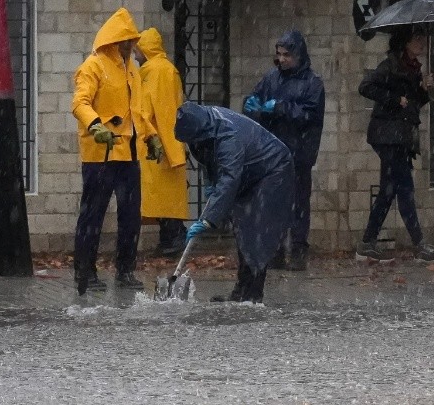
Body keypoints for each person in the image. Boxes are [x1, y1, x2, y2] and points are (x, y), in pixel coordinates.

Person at [71, 8, 164, 293]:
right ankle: (85, 272)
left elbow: (137, 111)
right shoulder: (93, 66)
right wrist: (96, 125)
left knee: (130, 215)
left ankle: (125, 270)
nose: (129, 46)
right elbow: (80, 103)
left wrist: (150, 136)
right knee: (93, 215)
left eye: (132, 41)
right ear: (113, 40)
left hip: (128, 154)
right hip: (101, 155)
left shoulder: (132, 71)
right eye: (125, 40)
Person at [175, 101, 294, 305]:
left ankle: (253, 294)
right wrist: (213, 182)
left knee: (255, 230)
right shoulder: (202, 127)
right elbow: (212, 160)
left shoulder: (228, 135)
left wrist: (208, 219)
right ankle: (242, 290)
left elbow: (230, 177)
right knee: (241, 227)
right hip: (250, 170)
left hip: (273, 170)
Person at [355, 26, 434, 264]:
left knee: (388, 191)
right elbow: (365, 87)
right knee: (405, 188)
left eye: (423, 38)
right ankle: (419, 244)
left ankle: (366, 243)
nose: (422, 43)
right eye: (417, 38)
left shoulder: (414, 69)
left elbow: (413, 105)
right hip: (387, 136)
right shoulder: (391, 65)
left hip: (401, 137)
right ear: (405, 42)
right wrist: (395, 99)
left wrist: (424, 90)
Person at [242, 30, 325, 270]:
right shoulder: (271, 78)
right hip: (273, 151)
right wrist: (252, 106)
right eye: (279, 54)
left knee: (298, 203)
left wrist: (280, 108)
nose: (282, 59)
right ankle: (275, 251)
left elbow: (309, 115)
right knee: (274, 203)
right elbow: (255, 100)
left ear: (298, 55)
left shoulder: (312, 83)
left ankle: (298, 250)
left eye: (287, 55)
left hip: (299, 152)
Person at [134, 27, 189, 257]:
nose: (135, 54)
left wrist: (158, 138)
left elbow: (155, 109)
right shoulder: (165, 70)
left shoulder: (155, 72)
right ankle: (171, 237)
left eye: (138, 49)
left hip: (156, 142)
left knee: (159, 194)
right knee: (164, 195)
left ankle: (173, 238)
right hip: (164, 140)